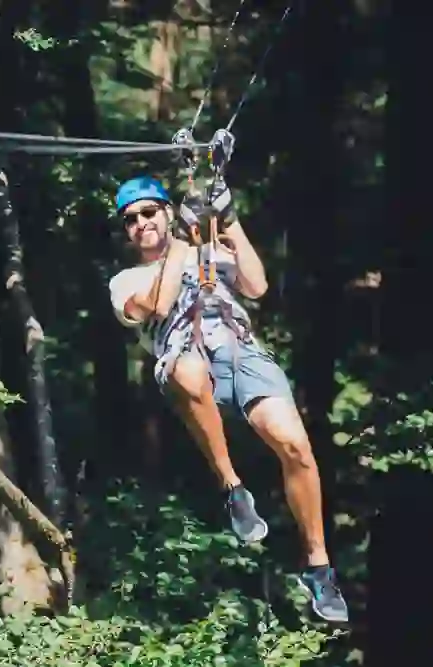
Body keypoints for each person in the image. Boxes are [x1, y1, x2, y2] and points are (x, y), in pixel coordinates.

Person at [107, 174, 349, 623]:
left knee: (294, 445)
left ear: (163, 211)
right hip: (187, 362)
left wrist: (229, 218)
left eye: (148, 212)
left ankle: (319, 567)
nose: (141, 223)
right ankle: (231, 487)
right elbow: (156, 308)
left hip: (240, 353)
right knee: (187, 369)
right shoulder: (125, 281)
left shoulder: (208, 253)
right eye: (131, 219)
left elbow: (256, 286)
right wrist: (181, 243)